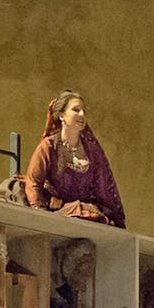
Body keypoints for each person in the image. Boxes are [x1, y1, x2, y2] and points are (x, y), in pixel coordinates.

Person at [25, 89, 126, 228]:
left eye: (83, 110)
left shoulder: (92, 152)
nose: (82, 114)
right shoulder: (48, 147)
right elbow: (33, 183)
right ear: (61, 115)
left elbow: (104, 190)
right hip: (56, 214)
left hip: (84, 216)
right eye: (76, 110)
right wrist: (41, 217)